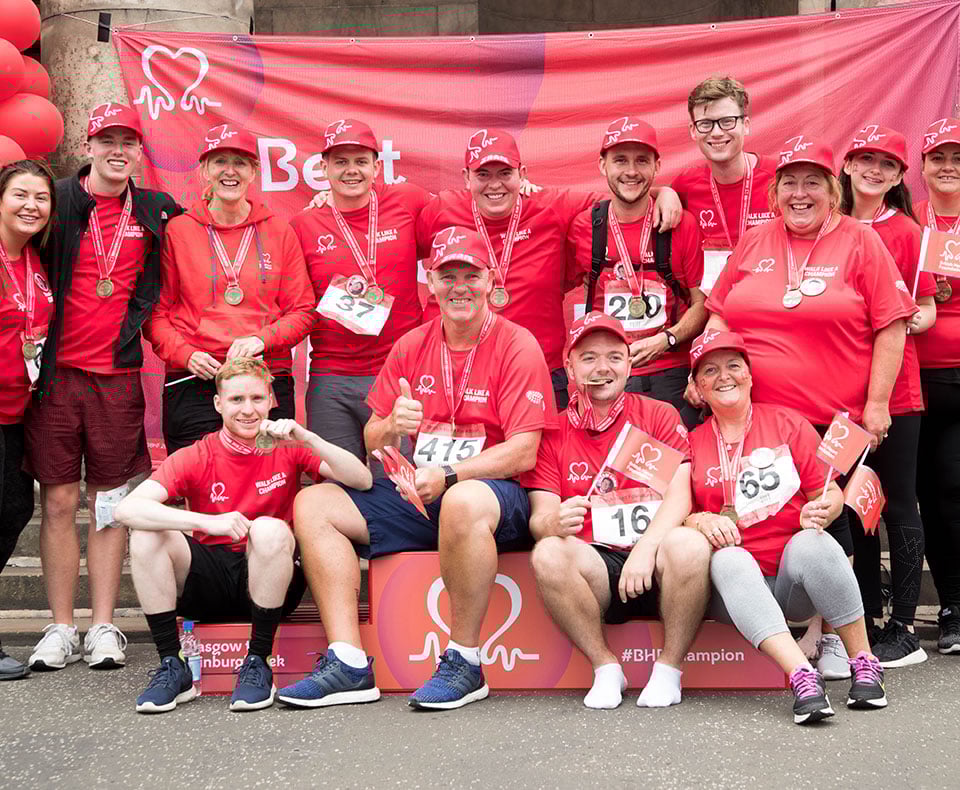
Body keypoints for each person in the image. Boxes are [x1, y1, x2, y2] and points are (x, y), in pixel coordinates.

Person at [279, 227, 557, 710]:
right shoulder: (411, 344)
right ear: (430, 282)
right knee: (314, 502)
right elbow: (370, 442)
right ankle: (348, 662)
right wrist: (390, 425)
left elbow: (524, 451)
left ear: (491, 280)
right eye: (447, 276)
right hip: (420, 494)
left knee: (464, 500)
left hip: (492, 500)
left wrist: (451, 476)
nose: (460, 287)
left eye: (470, 275)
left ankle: (465, 661)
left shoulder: (517, 343)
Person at [691, 136, 915, 678]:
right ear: (774, 189)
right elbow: (719, 314)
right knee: (774, 519)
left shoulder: (861, 241)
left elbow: (891, 323)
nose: (800, 193)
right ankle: (798, 631)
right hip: (759, 416)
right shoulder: (753, 239)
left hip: (834, 418)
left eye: (813, 181)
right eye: (789, 181)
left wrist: (878, 403)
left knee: (831, 523)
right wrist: (709, 367)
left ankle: (841, 638)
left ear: (832, 189)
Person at [114, 356, 373, 713]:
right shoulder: (198, 453)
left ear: (271, 400)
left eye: (256, 399)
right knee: (146, 533)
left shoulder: (289, 445)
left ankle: (258, 663)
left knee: (268, 528)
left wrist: (309, 437)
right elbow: (125, 509)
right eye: (236, 400)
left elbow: (362, 479)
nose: (248, 410)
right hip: (208, 580)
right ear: (218, 404)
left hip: (271, 577)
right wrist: (206, 522)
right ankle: (172, 666)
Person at [24, 104, 182, 672]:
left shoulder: (157, 209)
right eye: (106, 139)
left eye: (128, 141)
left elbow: (210, 231)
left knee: (111, 505)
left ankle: (103, 626)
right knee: (61, 500)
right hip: (56, 376)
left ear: (139, 151)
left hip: (117, 378)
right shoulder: (56, 199)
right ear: (87, 145)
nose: (117, 150)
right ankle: (62, 626)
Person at [685, 329, 887, 725]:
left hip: (790, 583)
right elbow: (677, 514)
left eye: (733, 366)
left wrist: (824, 511)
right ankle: (802, 677)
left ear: (750, 375)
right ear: (697, 387)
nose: (724, 376)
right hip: (732, 591)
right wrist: (700, 518)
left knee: (814, 543)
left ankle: (865, 661)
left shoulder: (787, 423)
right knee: (729, 559)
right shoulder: (691, 442)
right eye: (709, 371)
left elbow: (827, 493)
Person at [416, 127, 683, 409]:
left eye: (505, 174)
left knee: (541, 453)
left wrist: (664, 192)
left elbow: (624, 199)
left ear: (523, 173)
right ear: (466, 177)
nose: (495, 185)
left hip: (539, 369)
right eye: (483, 174)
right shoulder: (440, 210)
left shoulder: (551, 206)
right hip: (455, 368)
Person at [523, 312, 710, 709]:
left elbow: (680, 496)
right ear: (569, 366)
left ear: (629, 363)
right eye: (588, 358)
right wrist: (554, 522)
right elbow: (541, 519)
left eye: (613, 357)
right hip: (598, 567)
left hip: (656, 560)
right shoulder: (553, 431)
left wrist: (645, 550)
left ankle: (669, 669)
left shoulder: (657, 414)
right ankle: (606, 666)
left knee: (689, 545)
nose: (602, 368)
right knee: (549, 552)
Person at [146, 123, 315, 453]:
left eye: (240, 162)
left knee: (270, 485)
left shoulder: (279, 231)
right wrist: (186, 354)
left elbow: (304, 312)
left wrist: (261, 340)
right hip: (195, 375)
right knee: (198, 486)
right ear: (205, 170)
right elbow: (155, 314)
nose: (230, 171)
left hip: (264, 375)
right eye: (220, 161)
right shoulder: (178, 231)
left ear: (254, 172)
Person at [839, 126, 936, 667]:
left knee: (898, 499)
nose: (874, 171)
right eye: (864, 160)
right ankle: (865, 618)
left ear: (900, 176)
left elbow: (922, 309)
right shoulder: (825, 224)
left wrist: (900, 317)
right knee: (851, 508)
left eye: (887, 165)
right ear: (848, 166)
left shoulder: (907, 232)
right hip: (836, 391)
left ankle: (904, 626)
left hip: (894, 390)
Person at [289, 119, 429, 474]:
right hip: (331, 375)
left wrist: (521, 186)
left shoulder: (408, 202)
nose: (351, 171)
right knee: (339, 483)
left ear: (377, 167)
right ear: (323, 168)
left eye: (360, 161)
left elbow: (463, 219)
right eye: (340, 162)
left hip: (399, 372)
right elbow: (294, 302)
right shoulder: (302, 226)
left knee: (399, 483)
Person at [567, 118, 705, 427]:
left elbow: (702, 304)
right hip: (605, 375)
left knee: (669, 468)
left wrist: (667, 339)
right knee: (607, 471)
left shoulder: (683, 224)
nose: (631, 171)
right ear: (602, 165)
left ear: (657, 165)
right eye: (620, 160)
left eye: (642, 160)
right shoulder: (582, 227)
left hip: (670, 374)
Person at [0, 160, 56, 679]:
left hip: (17, 410)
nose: (31, 206)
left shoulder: (34, 260)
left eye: (41, 198)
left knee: (14, 510)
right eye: (20, 195)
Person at [913, 117, 960, 655]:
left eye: (956, 159)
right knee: (925, 495)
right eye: (938, 159)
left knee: (952, 492)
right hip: (915, 380)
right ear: (923, 168)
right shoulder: (910, 220)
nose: (947, 168)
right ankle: (950, 607)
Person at [671, 76, 777, 292]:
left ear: (745, 125)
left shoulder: (779, 176)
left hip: (769, 307)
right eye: (705, 124)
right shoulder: (685, 185)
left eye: (727, 121)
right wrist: (664, 193)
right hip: (709, 312)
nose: (717, 132)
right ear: (693, 130)